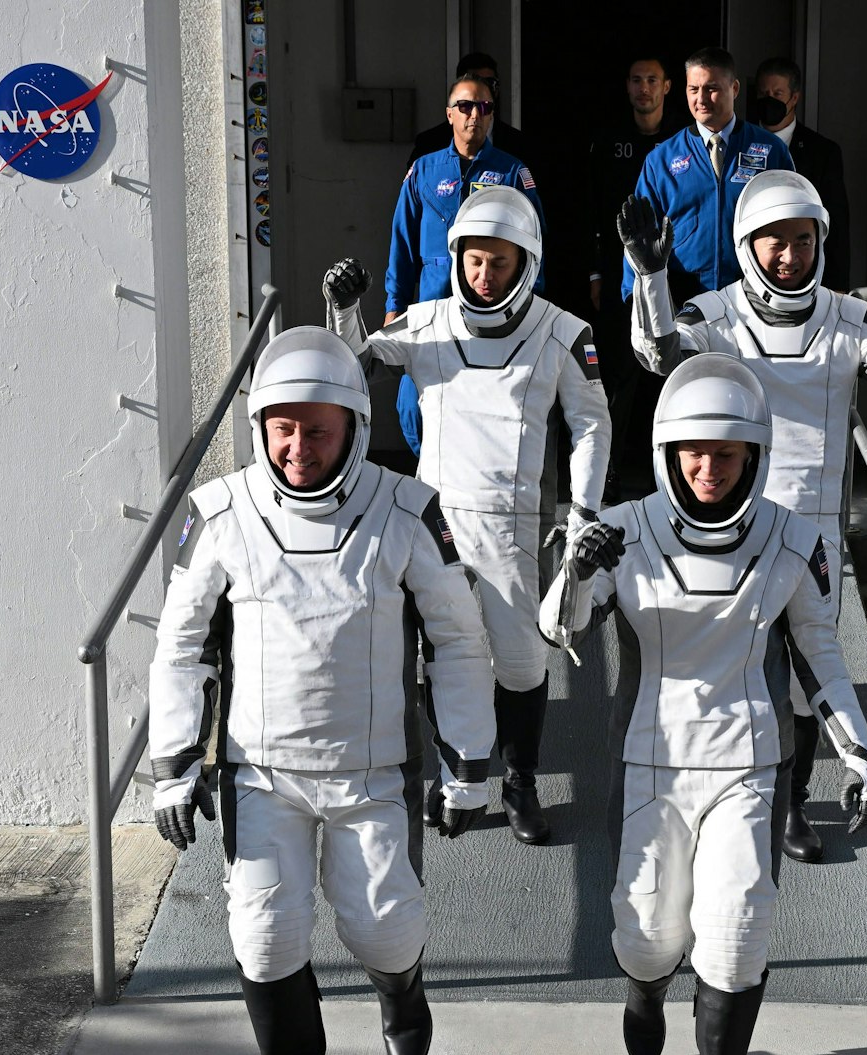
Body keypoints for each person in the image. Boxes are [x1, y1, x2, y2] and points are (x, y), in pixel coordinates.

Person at [149, 327, 497, 1055]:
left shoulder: (408, 510)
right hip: (260, 771)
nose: (299, 447)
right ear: (262, 425)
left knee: (383, 925)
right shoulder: (222, 513)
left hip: (372, 769)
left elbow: (458, 639)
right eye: (284, 428)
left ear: (354, 424)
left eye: (319, 429)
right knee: (264, 935)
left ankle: (400, 990)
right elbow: (182, 644)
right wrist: (173, 763)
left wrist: (466, 763)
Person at [539, 354, 867, 1055]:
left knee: (736, 935)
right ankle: (647, 985)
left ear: (755, 455)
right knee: (648, 934)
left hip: (749, 762)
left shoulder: (794, 539)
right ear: (666, 451)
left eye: (725, 455)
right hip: (651, 759)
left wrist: (862, 753)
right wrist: (576, 569)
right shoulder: (622, 529)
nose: (707, 468)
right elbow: (561, 627)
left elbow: (820, 654)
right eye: (693, 452)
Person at [621, 172, 867, 862]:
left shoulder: (846, 317)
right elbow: (659, 355)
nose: (789, 256)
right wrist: (650, 275)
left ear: (821, 243)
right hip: (727, 525)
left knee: (810, 679)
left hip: (811, 536)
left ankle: (791, 805)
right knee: (728, 666)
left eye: (803, 241)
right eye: (774, 242)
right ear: (746, 245)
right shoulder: (715, 313)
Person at [327, 187, 610, 847]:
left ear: (526, 263)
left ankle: (521, 782)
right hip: (437, 526)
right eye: (476, 261)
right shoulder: (427, 323)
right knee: (448, 658)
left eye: (500, 263)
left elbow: (593, 425)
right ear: (458, 258)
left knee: (520, 663)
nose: (486, 275)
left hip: (514, 526)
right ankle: (460, 776)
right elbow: (352, 368)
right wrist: (345, 310)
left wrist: (584, 514)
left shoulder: (562, 333)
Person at [386, 72, 544, 453]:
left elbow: (534, 247)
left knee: (479, 403)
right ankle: (432, 478)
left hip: (490, 312)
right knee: (411, 404)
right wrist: (394, 306)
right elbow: (402, 245)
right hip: (430, 310)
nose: (475, 114)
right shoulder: (423, 170)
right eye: (466, 106)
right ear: (450, 114)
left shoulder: (512, 171)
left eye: (484, 107)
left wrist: (530, 311)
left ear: (492, 116)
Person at [620, 47, 794, 307]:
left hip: (754, 298)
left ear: (734, 88)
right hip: (683, 301)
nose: (701, 99)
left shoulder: (770, 151)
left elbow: (794, 223)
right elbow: (639, 234)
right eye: (693, 89)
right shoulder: (662, 159)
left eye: (711, 88)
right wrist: (634, 292)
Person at [586, 55, 677, 499]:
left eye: (652, 81)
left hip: (672, 279)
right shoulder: (608, 143)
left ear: (667, 88)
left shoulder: (681, 145)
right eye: (637, 80)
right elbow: (594, 212)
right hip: (623, 280)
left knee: (670, 375)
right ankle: (609, 473)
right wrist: (598, 271)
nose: (645, 88)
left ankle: (669, 474)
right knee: (620, 377)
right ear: (627, 87)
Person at [750, 57, 851, 292]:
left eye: (777, 93)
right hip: (752, 269)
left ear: (794, 98)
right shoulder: (741, 143)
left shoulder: (823, 152)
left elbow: (836, 219)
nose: (769, 100)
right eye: (764, 93)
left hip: (803, 270)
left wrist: (838, 286)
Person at [407, 52, 533, 171]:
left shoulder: (519, 145)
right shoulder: (429, 145)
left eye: (490, 83)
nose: (483, 89)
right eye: (475, 82)